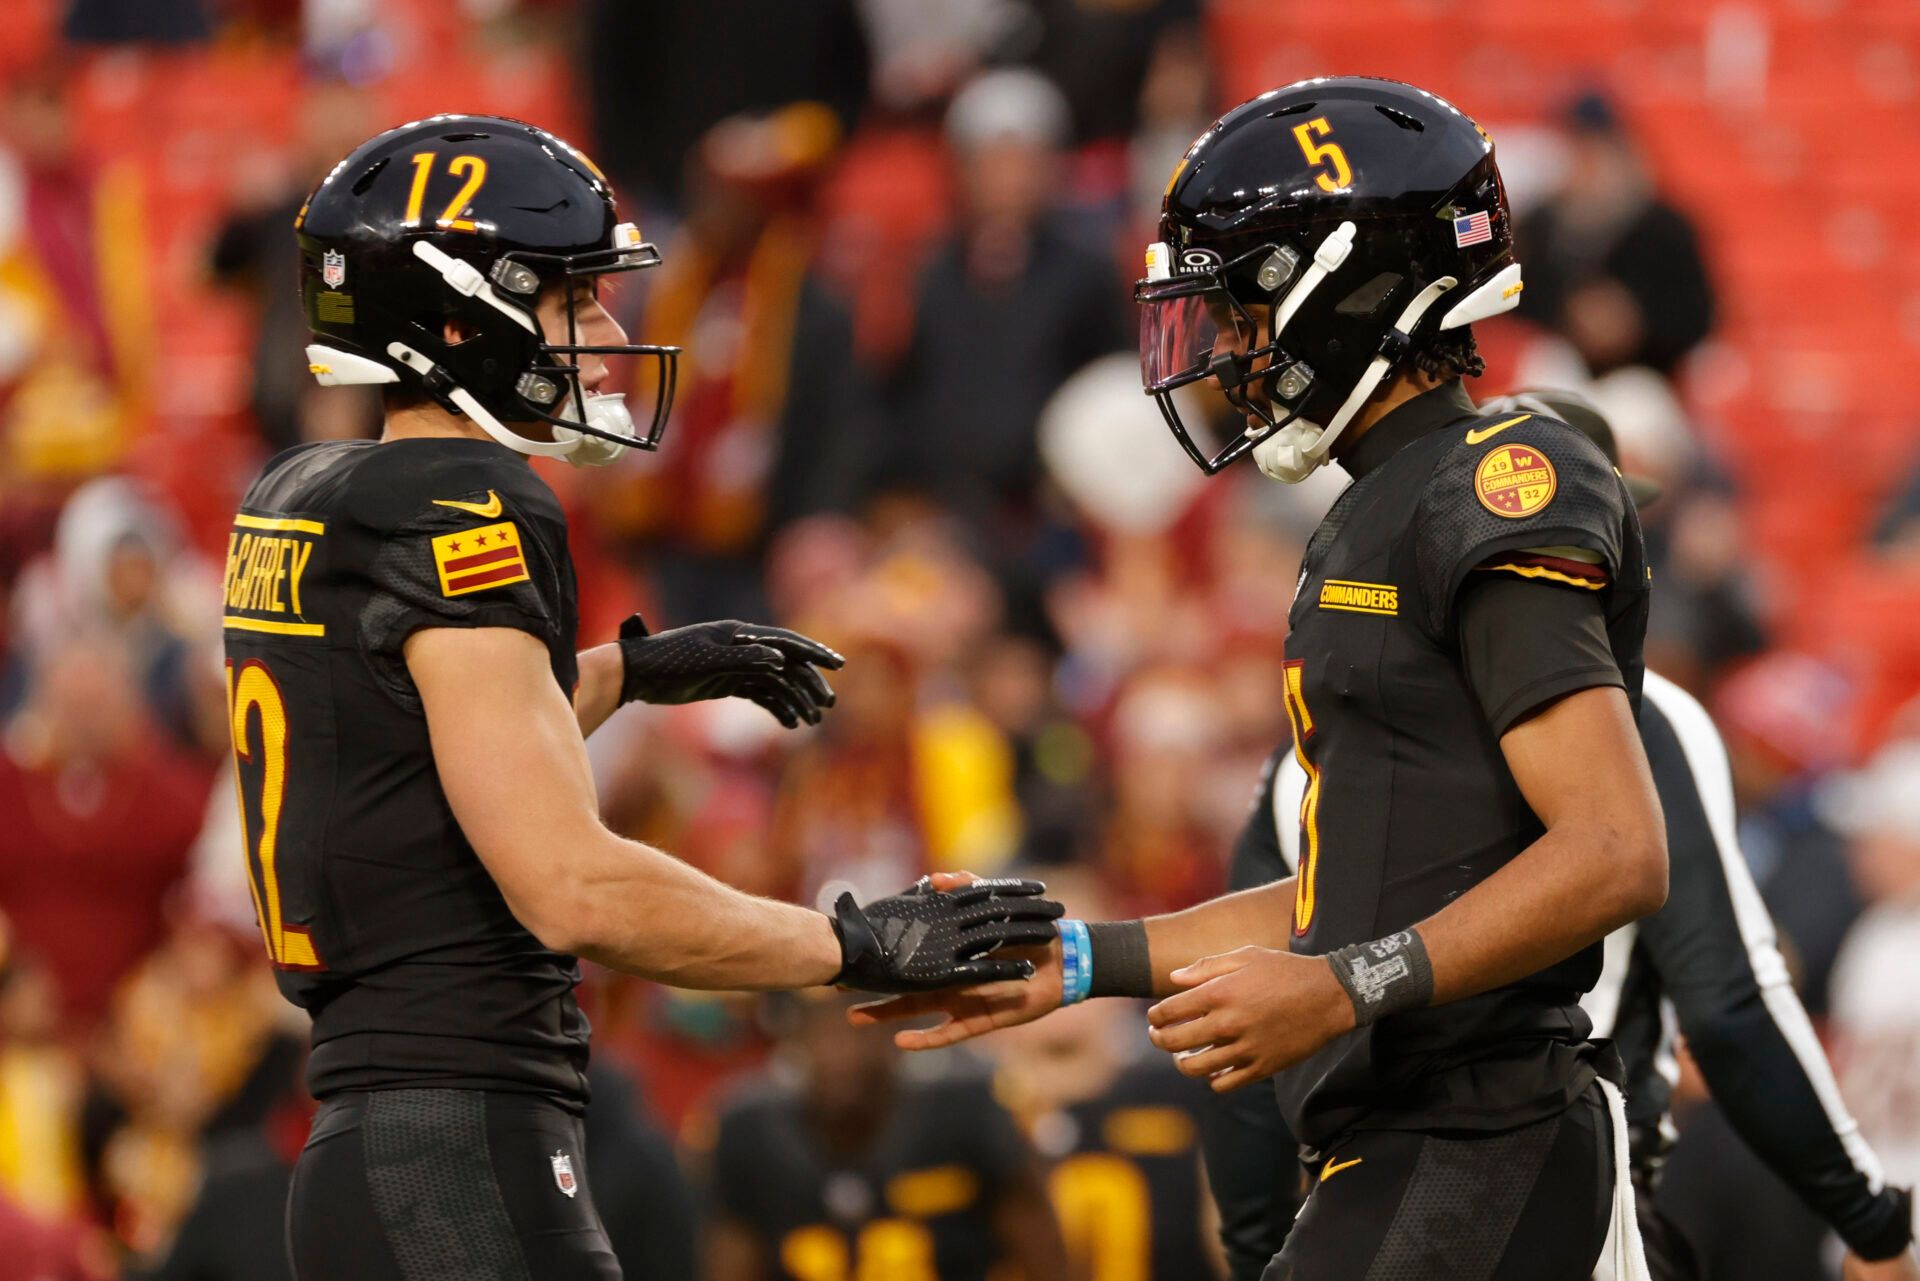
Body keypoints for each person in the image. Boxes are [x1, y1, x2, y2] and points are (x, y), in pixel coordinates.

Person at [224, 113, 1064, 1280]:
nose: (611, 333)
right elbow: (572, 886)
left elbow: (414, 761)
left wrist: (625, 671)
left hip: (379, 1136)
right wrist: (854, 944)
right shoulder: (463, 499)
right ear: (459, 321)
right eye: (574, 303)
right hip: (459, 1146)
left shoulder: (304, 489)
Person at [858, 77, 1669, 1280]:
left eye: (1240, 309)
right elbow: (1355, 893)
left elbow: (1615, 847)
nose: (1225, 349)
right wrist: (1082, 961)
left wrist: (1345, 989)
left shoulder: (1502, 483)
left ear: (1346, 289)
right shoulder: (1374, 510)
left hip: (1482, 1127)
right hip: (1409, 1137)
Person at [1202, 390, 1919, 1281]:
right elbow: (1730, 1001)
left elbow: (1246, 1044)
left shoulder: (1317, 745)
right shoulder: (1648, 719)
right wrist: (1870, 1218)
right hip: (1539, 1170)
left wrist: (1259, 1244)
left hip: (1364, 1183)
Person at [704, 991, 1067, 1281]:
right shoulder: (747, 1130)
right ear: (795, 1036)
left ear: (897, 1029)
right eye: (821, 1029)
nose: (839, 1053)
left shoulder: (966, 1108)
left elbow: (1045, 1255)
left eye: (858, 1027)